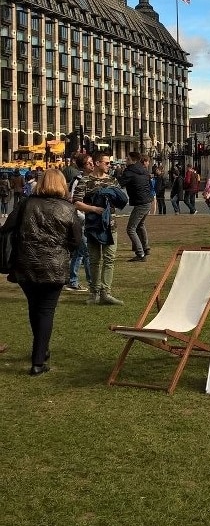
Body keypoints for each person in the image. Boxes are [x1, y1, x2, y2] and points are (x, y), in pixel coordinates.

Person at [6, 168, 82, 375]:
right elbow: (76, 240)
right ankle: (38, 359)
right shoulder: (68, 208)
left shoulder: (26, 204)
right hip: (53, 265)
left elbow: (6, 227)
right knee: (46, 310)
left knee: (35, 308)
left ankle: (41, 350)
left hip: (26, 263)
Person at [72, 151, 127, 305]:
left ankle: (106, 293)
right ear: (97, 163)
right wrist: (94, 209)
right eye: (106, 163)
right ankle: (94, 292)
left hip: (111, 225)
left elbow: (120, 201)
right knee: (95, 260)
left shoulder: (112, 181)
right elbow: (76, 202)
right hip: (93, 226)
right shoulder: (85, 181)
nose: (109, 165)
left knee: (109, 259)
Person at [66, 153, 94, 291]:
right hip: (80, 218)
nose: (92, 165)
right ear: (83, 166)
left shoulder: (92, 178)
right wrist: (81, 214)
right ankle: (91, 281)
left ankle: (73, 279)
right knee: (86, 250)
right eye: (89, 163)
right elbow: (72, 199)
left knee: (80, 251)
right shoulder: (78, 179)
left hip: (88, 218)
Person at [119, 151, 153, 262]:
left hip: (141, 202)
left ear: (133, 160)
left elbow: (119, 183)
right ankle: (145, 248)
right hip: (147, 201)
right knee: (140, 225)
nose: (126, 161)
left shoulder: (130, 171)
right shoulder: (143, 170)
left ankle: (140, 253)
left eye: (127, 159)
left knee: (131, 228)